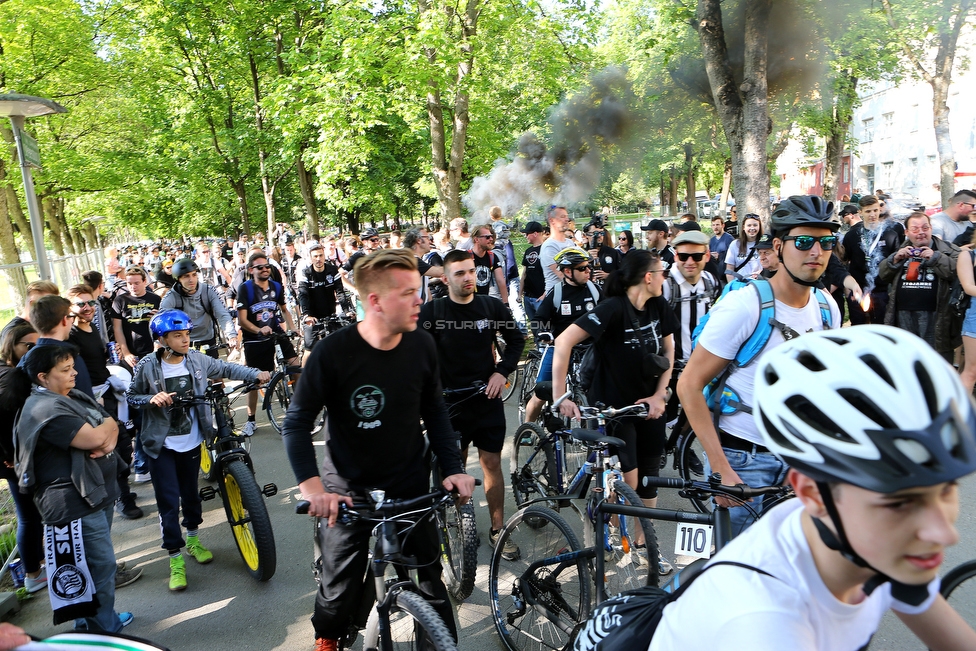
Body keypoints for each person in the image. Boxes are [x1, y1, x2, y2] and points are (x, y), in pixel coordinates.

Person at [651, 326, 976, 651]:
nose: (946, 533)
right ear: (811, 494)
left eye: (946, 489)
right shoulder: (763, 625)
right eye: (900, 504)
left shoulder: (864, 538)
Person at [280, 249, 476, 651]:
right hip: (346, 490)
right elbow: (297, 423)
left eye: (417, 290)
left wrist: (453, 468)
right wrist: (313, 489)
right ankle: (328, 637)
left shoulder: (421, 345)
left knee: (429, 582)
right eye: (407, 292)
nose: (419, 299)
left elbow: (436, 412)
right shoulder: (332, 353)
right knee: (338, 596)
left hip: (408, 483)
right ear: (374, 301)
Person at [677, 195, 842, 536]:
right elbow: (688, 385)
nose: (816, 252)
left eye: (826, 242)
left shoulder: (828, 308)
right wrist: (720, 467)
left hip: (800, 459)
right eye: (804, 241)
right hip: (744, 459)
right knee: (738, 568)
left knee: (795, 564)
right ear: (779, 247)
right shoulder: (746, 305)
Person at [553, 249, 677, 573]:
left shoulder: (659, 305)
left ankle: (644, 542)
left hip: (649, 404)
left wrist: (660, 395)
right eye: (661, 271)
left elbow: (669, 350)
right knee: (630, 482)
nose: (665, 276)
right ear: (647, 277)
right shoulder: (612, 308)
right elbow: (563, 342)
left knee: (649, 480)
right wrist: (560, 396)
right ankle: (604, 527)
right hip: (612, 406)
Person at [127, 310, 269, 591]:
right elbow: (131, 396)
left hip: (191, 443)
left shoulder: (196, 360)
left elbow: (227, 368)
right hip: (162, 445)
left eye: (187, 334)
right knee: (168, 502)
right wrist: (150, 398)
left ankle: (192, 539)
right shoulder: (147, 365)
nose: (185, 340)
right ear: (162, 339)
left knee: (191, 496)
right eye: (178, 336)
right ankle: (175, 558)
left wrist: (256, 373)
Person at [16, 345, 132, 632]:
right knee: (99, 566)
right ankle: (105, 631)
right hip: (73, 501)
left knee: (93, 566)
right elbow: (96, 437)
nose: (74, 373)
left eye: (72, 367)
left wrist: (109, 430)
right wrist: (106, 431)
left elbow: (111, 424)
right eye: (65, 370)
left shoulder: (69, 396)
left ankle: (93, 623)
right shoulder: (44, 408)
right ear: (43, 377)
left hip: (95, 493)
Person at [419, 249, 525, 559]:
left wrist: (501, 372)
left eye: (471, 271)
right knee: (456, 465)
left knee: (492, 464)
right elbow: (415, 352)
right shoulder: (432, 313)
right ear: (446, 278)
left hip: (486, 399)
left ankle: (497, 529)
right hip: (448, 405)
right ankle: (458, 526)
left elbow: (516, 340)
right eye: (460, 273)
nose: (468, 278)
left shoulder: (490, 306)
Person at [523, 247, 602, 424]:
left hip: (589, 349)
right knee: (542, 393)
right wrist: (542, 333)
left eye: (589, 267)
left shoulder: (595, 291)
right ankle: (527, 428)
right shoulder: (556, 293)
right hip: (558, 348)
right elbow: (538, 319)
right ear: (567, 271)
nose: (588, 271)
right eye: (582, 268)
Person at [0, 324, 46, 593]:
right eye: (27, 346)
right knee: (29, 516)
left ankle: (35, 566)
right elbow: (4, 420)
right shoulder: (11, 377)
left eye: (36, 346)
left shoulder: (12, 372)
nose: (32, 351)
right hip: (15, 460)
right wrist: (10, 455)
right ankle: (32, 573)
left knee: (30, 514)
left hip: (15, 458)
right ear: (11, 346)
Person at [877, 212, 960, 360]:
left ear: (931, 228)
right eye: (915, 229)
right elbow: (883, 275)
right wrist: (894, 259)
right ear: (907, 232)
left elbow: (957, 272)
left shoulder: (948, 250)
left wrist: (935, 258)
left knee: (935, 361)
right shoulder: (900, 250)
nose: (921, 232)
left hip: (937, 317)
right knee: (907, 359)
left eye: (925, 227)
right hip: (903, 315)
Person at [236, 252, 299, 437]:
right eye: (260, 267)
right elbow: (242, 320)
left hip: (275, 332)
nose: (265, 269)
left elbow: (284, 310)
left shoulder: (276, 286)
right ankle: (251, 420)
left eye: (267, 266)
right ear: (251, 270)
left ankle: (298, 403)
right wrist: (258, 330)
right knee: (255, 379)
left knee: (295, 365)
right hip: (255, 338)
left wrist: (293, 327)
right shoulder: (245, 289)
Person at [842, 195, 903, 325]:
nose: (872, 214)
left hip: (882, 291)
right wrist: (848, 289)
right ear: (861, 212)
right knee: (858, 328)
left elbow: (896, 264)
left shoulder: (890, 235)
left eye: (875, 210)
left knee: (880, 328)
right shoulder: (852, 235)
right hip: (858, 289)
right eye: (868, 211)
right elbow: (844, 261)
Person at [160, 259, 238, 358]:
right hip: (184, 343)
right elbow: (162, 321)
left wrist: (231, 336)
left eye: (194, 275)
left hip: (208, 340)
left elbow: (222, 314)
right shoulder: (171, 297)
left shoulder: (208, 290)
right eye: (186, 276)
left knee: (213, 371)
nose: (191, 279)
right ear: (178, 279)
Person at [111, 266, 162, 370]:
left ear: (144, 282)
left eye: (136, 283)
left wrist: (158, 317)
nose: (133, 286)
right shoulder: (120, 300)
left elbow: (163, 326)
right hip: (132, 352)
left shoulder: (155, 299)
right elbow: (117, 328)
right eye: (129, 283)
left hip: (153, 349)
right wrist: (126, 353)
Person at [520, 221, 548, 335]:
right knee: (535, 328)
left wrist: (545, 294)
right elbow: (524, 274)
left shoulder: (546, 250)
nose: (526, 236)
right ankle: (538, 350)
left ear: (535, 234)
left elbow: (552, 275)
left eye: (528, 233)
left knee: (544, 328)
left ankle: (545, 350)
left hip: (541, 297)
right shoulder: (528, 251)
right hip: (528, 297)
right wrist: (520, 293)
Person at [469, 224, 509, 302]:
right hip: (469, 302)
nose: (491, 239)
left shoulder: (493, 257)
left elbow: (501, 281)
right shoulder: (466, 257)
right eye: (487, 237)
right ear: (476, 239)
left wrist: (506, 304)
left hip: (484, 301)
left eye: (491, 236)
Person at [540, 206, 575, 293]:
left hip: (571, 292)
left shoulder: (570, 243)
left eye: (567, 216)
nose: (567, 219)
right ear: (552, 220)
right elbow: (562, 274)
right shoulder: (549, 246)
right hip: (557, 295)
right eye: (563, 217)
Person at [724, 213, 762, 282]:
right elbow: (729, 270)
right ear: (744, 227)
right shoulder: (735, 244)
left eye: (755, 225)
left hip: (759, 285)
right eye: (749, 225)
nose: (752, 228)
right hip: (740, 285)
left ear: (759, 227)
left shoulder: (764, 244)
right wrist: (733, 288)